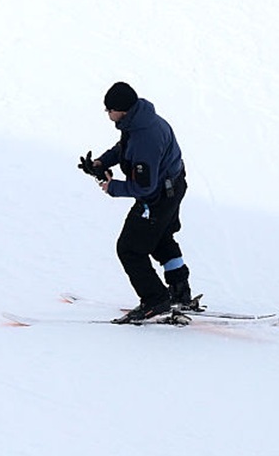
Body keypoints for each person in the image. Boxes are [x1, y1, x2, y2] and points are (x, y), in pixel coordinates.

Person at [82, 82, 195, 324]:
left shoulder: (146, 137)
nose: (107, 114)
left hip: (158, 197)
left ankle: (155, 299)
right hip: (172, 187)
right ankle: (180, 292)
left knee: (130, 249)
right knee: (160, 238)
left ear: (121, 110)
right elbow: (124, 147)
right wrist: (102, 163)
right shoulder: (139, 120)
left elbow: (145, 186)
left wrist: (113, 187)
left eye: (108, 110)